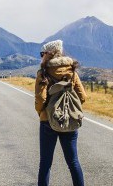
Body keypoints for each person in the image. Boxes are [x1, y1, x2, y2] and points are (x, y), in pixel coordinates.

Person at [35, 40, 87, 186]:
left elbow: (40, 98)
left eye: (42, 53)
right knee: (73, 162)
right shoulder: (72, 72)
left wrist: (41, 113)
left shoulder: (43, 72)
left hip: (47, 121)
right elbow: (82, 96)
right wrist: (70, 108)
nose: (41, 56)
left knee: (45, 163)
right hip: (69, 120)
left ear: (48, 54)